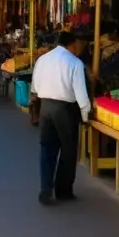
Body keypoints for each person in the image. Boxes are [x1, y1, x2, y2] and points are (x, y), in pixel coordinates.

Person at [31, 31, 90, 206]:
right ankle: (63, 190)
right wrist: (86, 115)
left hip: (46, 108)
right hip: (65, 110)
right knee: (68, 150)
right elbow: (81, 94)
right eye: (79, 44)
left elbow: (35, 86)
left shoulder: (43, 59)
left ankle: (45, 189)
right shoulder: (75, 63)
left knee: (47, 148)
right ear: (72, 44)